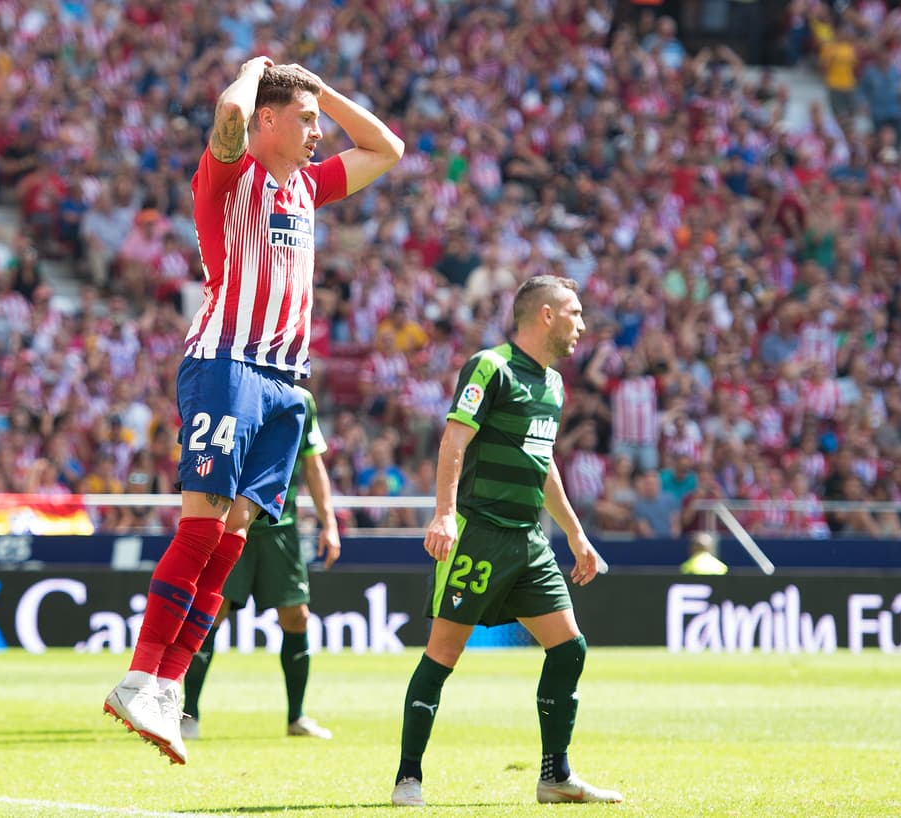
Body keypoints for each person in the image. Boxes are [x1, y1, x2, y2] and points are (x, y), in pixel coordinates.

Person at [103, 57, 403, 766]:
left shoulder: (306, 187)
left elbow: (387, 149)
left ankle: (168, 688)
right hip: (227, 365)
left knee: (235, 532)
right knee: (203, 522)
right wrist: (254, 69)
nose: (316, 132)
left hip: (286, 383)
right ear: (267, 121)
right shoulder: (231, 176)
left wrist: (322, 90)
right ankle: (141, 675)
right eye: (303, 120)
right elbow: (230, 119)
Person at [390, 276, 623, 807]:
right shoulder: (489, 367)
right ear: (545, 315)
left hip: (529, 542)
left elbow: (543, 466)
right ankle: (408, 777)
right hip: (479, 535)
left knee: (569, 648)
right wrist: (444, 515)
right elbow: (454, 439)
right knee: (443, 655)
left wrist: (576, 534)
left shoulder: (555, 385)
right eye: (576, 313)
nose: (582, 324)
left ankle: (554, 775)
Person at [180, 386, 340, 741]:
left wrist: (329, 522)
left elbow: (313, 464)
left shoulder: (302, 399)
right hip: (233, 524)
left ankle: (296, 717)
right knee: (212, 613)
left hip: (280, 528)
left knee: (296, 617)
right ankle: (188, 714)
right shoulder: (235, 387)